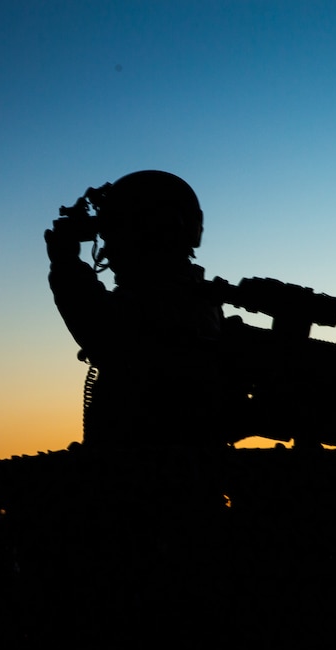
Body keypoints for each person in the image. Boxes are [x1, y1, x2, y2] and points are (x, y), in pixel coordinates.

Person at [44, 170, 229, 448]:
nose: (110, 251)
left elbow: (99, 327)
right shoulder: (196, 296)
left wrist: (65, 262)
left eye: (117, 237)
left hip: (147, 475)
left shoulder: (168, 299)